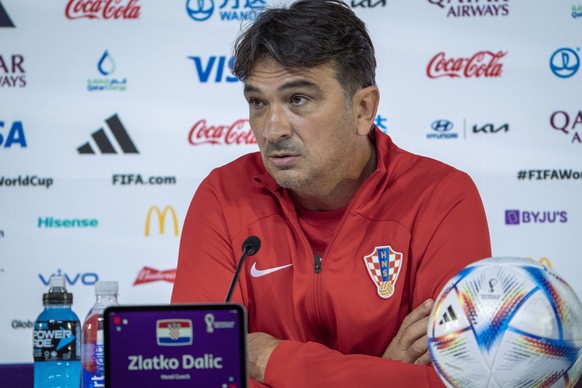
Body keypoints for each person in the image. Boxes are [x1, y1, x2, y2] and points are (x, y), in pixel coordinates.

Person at [172, 0, 491, 386]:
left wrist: (270, 358)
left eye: (298, 100)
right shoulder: (222, 197)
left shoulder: (442, 197)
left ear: (363, 109)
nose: (272, 130)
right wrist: (386, 372)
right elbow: (195, 374)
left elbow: (453, 381)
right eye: (257, 102)